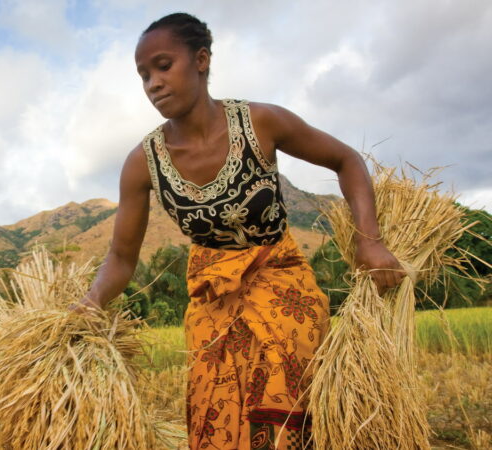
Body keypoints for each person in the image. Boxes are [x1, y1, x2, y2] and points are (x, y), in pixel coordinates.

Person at [68, 12, 405, 450]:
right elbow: (121, 258)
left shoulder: (260, 122)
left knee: (288, 403)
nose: (152, 83)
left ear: (202, 60)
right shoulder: (142, 162)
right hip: (213, 302)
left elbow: (346, 161)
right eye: (143, 74)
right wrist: (88, 304)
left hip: (282, 286)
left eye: (163, 66)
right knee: (215, 420)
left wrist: (369, 241)